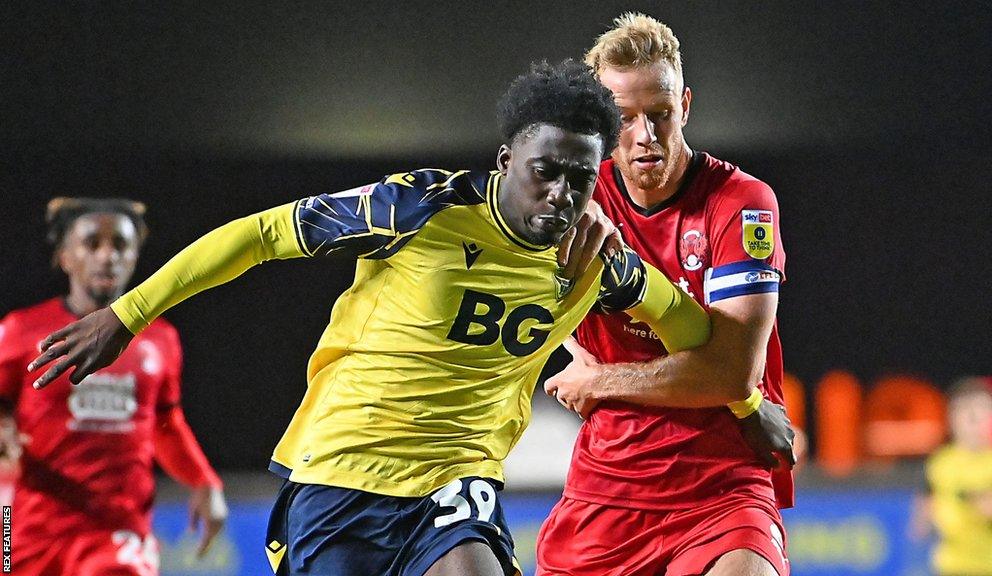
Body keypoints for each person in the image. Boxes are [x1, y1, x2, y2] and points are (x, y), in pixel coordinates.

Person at [24, 60, 780, 576]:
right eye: (544, 171)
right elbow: (258, 237)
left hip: (456, 483)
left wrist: (745, 400)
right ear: (506, 157)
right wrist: (126, 315)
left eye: (581, 180)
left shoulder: (599, 258)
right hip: (339, 476)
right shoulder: (417, 208)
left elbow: (698, 336)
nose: (560, 194)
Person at [539, 14, 795, 576]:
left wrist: (597, 379)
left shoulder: (741, 202)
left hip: (722, 484)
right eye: (624, 119)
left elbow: (730, 372)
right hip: (609, 482)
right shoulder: (578, 196)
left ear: (685, 106)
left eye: (658, 115)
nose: (645, 136)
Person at [0, 198, 227, 576]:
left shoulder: (160, 339)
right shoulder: (20, 331)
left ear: (134, 256)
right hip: (25, 528)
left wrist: (204, 481)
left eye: (120, 245)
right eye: (92, 244)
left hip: (118, 528)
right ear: (65, 257)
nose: (107, 256)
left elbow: (164, 422)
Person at [911, 377, 992, 576]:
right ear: (951, 417)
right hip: (951, 565)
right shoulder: (940, 462)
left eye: (980, 411)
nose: (972, 418)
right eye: (964, 410)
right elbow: (926, 502)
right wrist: (924, 520)